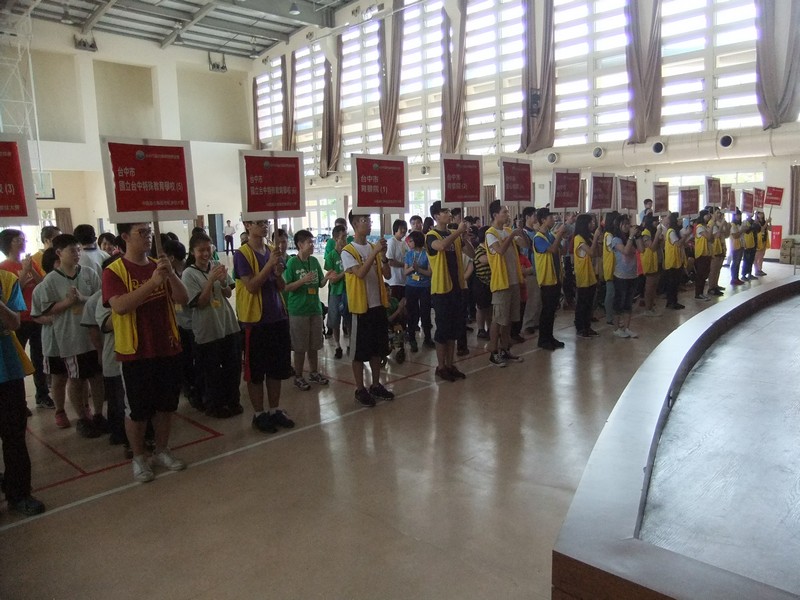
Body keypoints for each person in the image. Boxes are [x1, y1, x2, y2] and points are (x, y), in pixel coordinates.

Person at [102, 222, 189, 482]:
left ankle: (162, 450)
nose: (148, 236)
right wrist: (153, 283)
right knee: (138, 411)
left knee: (166, 406)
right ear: (125, 236)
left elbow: (183, 298)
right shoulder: (114, 271)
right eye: (142, 232)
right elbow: (120, 307)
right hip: (136, 351)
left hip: (167, 346)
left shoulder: (158, 265)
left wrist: (170, 274)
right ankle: (139, 457)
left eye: (150, 231)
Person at [31, 234, 106, 438]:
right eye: (72, 250)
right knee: (76, 379)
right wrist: (67, 303)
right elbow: (44, 310)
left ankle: (99, 414)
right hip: (71, 338)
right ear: (59, 253)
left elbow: (101, 298)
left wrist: (83, 298)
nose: (77, 254)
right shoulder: (50, 281)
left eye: (78, 249)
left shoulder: (89, 273)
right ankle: (82, 417)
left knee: (97, 377)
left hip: (92, 336)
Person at [234, 220, 295, 432]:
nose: (265, 226)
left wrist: (277, 273)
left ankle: (274, 409)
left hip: (277, 317)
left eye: (266, 222)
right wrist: (269, 265)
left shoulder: (271, 250)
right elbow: (251, 286)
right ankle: (259, 414)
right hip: (255, 321)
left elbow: (281, 286)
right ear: (247, 225)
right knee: (256, 372)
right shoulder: (242, 254)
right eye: (259, 223)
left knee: (276, 369)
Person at [0, 268, 45, 516]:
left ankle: (19, 493)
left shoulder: (7, 281)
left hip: (7, 371)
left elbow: (14, 322)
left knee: (14, 436)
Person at [182, 232, 242, 418]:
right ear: (193, 252)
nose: (206, 254)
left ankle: (232, 400)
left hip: (227, 323)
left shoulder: (216, 265)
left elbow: (227, 293)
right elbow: (200, 302)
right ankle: (214, 405)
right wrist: (210, 280)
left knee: (232, 366)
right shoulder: (189, 274)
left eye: (208, 249)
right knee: (211, 370)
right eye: (201, 250)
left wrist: (222, 280)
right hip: (207, 327)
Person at [341, 211, 395, 406]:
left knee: (377, 350)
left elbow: (387, 275)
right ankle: (360, 389)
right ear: (355, 224)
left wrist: (384, 257)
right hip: (360, 308)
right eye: (365, 220)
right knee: (359, 352)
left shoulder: (373, 247)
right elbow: (360, 273)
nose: (369, 223)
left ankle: (375, 385)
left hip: (377, 305)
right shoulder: (348, 251)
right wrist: (374, 253)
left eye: (370, 220)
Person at [0, 229, 53, 409]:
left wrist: (30, 270)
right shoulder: (3, 268)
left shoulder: (30, 263)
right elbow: (11, 295)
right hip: (17, 320)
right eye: (18, 240)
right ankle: (20, 401)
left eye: (23, 239)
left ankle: (42, 394)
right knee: (18, 359)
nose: (22, 242)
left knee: (39, 358)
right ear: (8, 243)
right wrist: (23, 275)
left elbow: (42, 285)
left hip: (35, 317)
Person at [426, 201, 468, 381]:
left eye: (449, 211)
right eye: (445, 211)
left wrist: (464, 237)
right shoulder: (431, 235)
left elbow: (470, 253)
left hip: (456, 287)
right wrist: (457, 232)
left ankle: (450, 364)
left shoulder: (453, 234)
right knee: (442, 330)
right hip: (441, 289)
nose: (449, 214)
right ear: (436, 216)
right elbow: (441, 246)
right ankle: (441, 366)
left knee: (454, 329)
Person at [283, 229, 330, 391]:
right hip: (298, 310)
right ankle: (298, 376)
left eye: (312, 242)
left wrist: (327, 277)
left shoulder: (314, 261)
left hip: (314, 308)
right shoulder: (292, 263)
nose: (312, 245)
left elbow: (320, 284)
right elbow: (286, 287)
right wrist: (302, 280)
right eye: (309, 242)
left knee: (313, 345)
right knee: (300, 346)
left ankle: (314, 372)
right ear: (300, 244)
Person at [484, 200, 527, 367]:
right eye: (505, 212)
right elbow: (500, 251)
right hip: (501, 282)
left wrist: (520, 231)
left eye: (508, 212)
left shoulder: (508, 230)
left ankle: (505, 349)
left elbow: (524, 244)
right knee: (498, 319)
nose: (508, 215)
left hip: (513, 280)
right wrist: (512, 235)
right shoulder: (490, 233)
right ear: (495, 215)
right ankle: (493, 351)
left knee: (508, 319)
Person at [533, 207, 567, 351]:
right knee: (546, 311)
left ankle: (550, 336)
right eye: (550, 218)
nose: (553, 220)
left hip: (555, 277)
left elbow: (561, 250)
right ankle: (543, 339)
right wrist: (559, 234)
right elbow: (552, 249)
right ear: (543, 220)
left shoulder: (549, 235)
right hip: (546, 279)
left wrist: (562, 237)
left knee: (552, 310)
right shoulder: (538, 238)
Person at [610, 215, 643, 338]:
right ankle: (616, 328)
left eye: (628, 224)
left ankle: (627, 328)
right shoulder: (615, 239)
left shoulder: (632, 238)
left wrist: (637, 236)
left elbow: (642, 249)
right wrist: (630, 237)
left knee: (629, 302)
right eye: (624, 224)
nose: (627, 226)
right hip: (621, 275)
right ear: (618, 226)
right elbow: (625, 251)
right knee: (619, 302)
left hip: (632, 274)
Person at [403, 230, 432, 354]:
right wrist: (412, 268)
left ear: (417, 241)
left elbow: (429, 273)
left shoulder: (427, 254)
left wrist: (418, 269)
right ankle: (412, 339)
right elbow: (405, 272)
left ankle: (428, 338)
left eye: (411, 241)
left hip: (424, 286)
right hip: (411, 286)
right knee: (412, 313)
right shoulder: (408, 254)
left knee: (425, 312)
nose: (409, 243)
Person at [573, 213, 601, 337]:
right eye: (590, 222)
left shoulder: (589, 236)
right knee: (582, 302)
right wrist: (595, 239)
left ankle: (587, 326)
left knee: (589, 302)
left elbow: (597, 253)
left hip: (591, 273)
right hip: (583, 273)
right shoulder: (578, 238)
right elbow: (590, 252)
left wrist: (597, 240)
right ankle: (580, 327)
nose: (593, 224)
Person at [324, 225, 347, 359]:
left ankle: (350, 344)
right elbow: (333, 279)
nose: (345, 240)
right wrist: (345, 272)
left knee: (349, 318)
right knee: (335, 320)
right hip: (336, 292)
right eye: (342, 237)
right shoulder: (331, 256)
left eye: (346, 237)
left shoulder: (348, 253)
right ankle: (338, 345)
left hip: (348, 291)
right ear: (335, 238)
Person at [520, 206, 541, 335]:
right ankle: (528, 324)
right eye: (534, 216)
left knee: (538, 299)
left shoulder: (536, 232)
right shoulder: (523, 233)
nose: (536, 218)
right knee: (531, 299)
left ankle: (536, 321)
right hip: (529, 268)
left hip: (539, 268)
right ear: (527, 217)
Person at [663, 212, 688, 310]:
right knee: (672, 283)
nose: (681, 221)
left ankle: (674, 301)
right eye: (679, 219)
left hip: (677, 260)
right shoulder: (671, 232)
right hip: (672, 261)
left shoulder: (677, 231)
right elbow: (677, 244)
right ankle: (671, 302)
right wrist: (685, 236)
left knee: (676, 283)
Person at [640, 214, 663, 316]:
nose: (657, 222)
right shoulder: (646, 233)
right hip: (650, 262)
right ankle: (647, 309)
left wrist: (660, 238)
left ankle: (651, 306)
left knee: (655, 285)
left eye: (657, 220)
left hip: (658, 260)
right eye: (655, 221)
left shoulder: (654, 232)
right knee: (650, 286)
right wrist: (657, 235)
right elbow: (652, 247)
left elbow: (660, 246)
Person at [386, 219, 408, 300]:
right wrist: (405, 265)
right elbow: (390, 261)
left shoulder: (404, 243)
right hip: (394, 281)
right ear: (395, 229)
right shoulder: (391, 242)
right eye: (401, 228)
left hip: (403, 280)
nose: (403, 230)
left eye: (405, 228)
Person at [693, 210, 712, 301]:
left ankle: (701, 292)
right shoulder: (700, 227)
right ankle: (698, 293)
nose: (708, 217)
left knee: (704, 274)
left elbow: (712, 239)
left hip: (707, 253)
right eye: (706, 215)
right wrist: (711, 226)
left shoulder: (705, 226)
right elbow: (709, 237)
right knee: (700, 274)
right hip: (701, 253)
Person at [728, 210, 745, 286]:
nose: (738, 216)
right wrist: (742, 230)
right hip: (735, 245)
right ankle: (734, 278)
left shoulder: (739, 224)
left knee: (738, 262)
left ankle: (736, 278)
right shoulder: (733, 225)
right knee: (735, 262)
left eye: (739, 215)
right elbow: (735, 235)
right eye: (737, 215)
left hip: (740, 244)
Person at [754, 210, 770, 276]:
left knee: (761, 256)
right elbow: (762, 229)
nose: (761, 215)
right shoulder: (756, 222)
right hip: (758, 241)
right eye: (759, 213)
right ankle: (756, 270)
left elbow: (770, 229)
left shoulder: (764, 221)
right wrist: (766, 222)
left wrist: (770, 222)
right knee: (756, 257)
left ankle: (760, 269)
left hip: (764, 240)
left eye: (762, 213)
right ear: (757, 215)